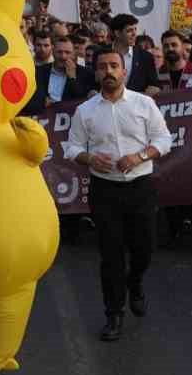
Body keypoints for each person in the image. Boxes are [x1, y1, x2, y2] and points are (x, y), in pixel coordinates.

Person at [62, 49, 173, 341]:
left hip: (140, 186)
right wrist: (89, 159)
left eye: (114, 66)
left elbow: (163, 140)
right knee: (110, 255)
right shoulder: (85, 111)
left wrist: (139, 156)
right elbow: (71, 148)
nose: (108, 71)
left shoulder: (143, 103)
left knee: (144, 248)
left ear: (124, 71)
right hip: (104, 190)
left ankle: (135, 282)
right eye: (102, 67)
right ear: (96, 72)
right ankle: (114, 314)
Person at [108, 13, 159, 94]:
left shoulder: (145, 57)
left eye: (135, 29)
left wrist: (153, 89)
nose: (134, 34)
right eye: (129, 31)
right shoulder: (101, 54)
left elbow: (155, 84)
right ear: (117, 33)